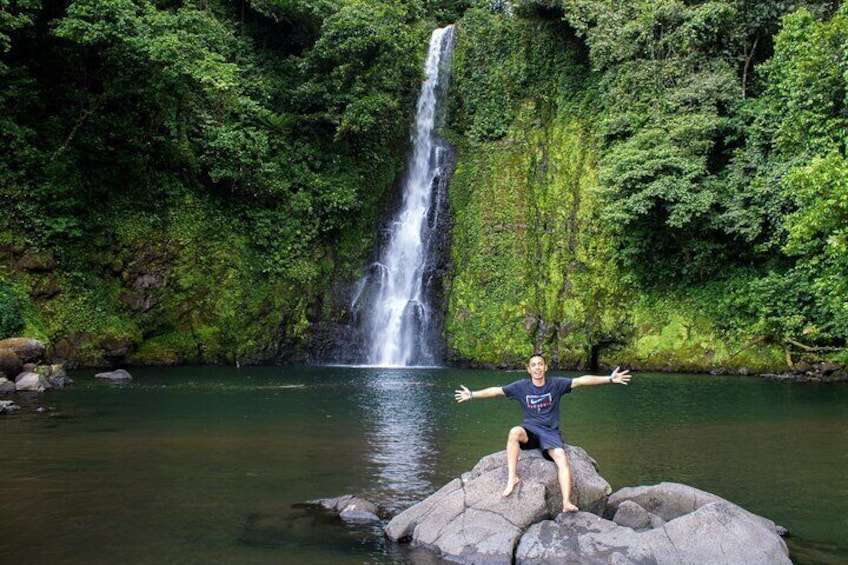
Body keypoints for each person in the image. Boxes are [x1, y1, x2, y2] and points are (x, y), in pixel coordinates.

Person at [454, 354, 631, 513]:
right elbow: (496, 391)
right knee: (514, 432)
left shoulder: (556, 384)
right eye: (534, 365)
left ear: (545, 367)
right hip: (529, 431)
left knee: (561, 457)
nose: (537, 368)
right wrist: (472, 394)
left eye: (540, 364)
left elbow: (581, 381)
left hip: (550, 433)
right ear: (528, 369)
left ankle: (566, 502)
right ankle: (512, 478)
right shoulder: (521, 387)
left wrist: (609, 379)